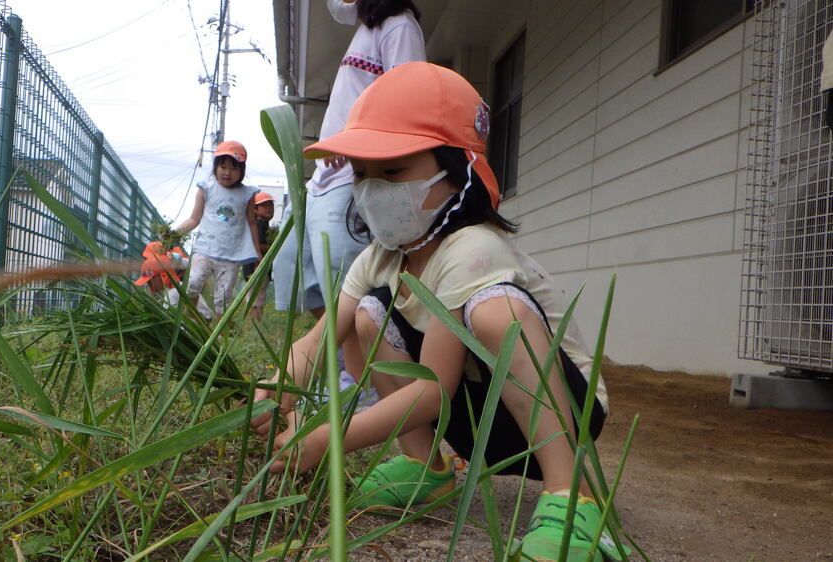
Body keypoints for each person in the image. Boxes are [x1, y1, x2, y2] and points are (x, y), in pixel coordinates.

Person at [252, 62, 617, 561]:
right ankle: (427, 469)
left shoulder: (473, 249)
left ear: (457, 168)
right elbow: (318, 340)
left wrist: (328, 437)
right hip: (472, 418)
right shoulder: (381, 255)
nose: (373, 189)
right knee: (366, 316)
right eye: (362, 174)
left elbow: (432, 390)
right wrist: (279, 386)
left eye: (394, 170)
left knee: (494, 315)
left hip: (561, 414)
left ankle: (569, 494)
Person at [272, 0, 426, 380]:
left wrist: (362, 151)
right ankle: (343, 364)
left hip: (350, 175)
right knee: (293, 268)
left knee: (345, 287)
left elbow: (407, 102)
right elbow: (338, 8)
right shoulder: (367, 28)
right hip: (322, 177)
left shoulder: (400, 26)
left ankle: (360, 382)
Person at [176, 141, 261, 320]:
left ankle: (223, 336)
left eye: (234, 168)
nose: (228, 173)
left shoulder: (247, 194)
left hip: (231, 256)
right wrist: (173, 234)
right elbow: (193, 219)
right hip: (204, 250)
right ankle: (194, 320)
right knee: (192, 283)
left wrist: (258, 254)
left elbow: (252, 223)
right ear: (216, 167)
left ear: (242, 170)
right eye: (223, 167)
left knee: (223, 299)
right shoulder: (206, 189)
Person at [243, 191, 276, 321]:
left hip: (259, 267)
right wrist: (273, 246)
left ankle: (257, 323)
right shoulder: (258, 224)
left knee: (259, 296)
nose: (269, 208)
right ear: (255, 210)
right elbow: (257, 244)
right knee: (255, 297)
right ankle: (254, 323)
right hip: (255, 266)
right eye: (264, 205)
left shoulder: (264, 225)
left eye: (271, 205)